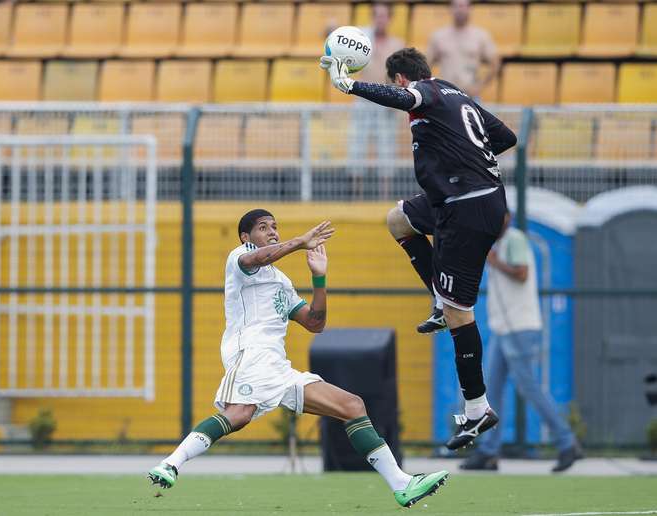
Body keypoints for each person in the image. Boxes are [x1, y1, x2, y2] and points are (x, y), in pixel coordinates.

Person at [149, 210, 449, 508]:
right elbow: (258, 258)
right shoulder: (239, 259)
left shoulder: (281, 282)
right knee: (239, 413)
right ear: (245, 237)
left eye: (275, 227)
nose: (272, 232)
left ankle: (401, 484)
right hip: (250, 353)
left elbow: (315, 323)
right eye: (263, 227)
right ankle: (171, 464)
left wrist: (319, 277)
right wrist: (300, 241)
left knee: (351, 406)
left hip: (278, 365)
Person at [321, 47, 516, 450]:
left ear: (399, 79)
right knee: (398, 219)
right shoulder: (456, 94)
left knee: (460, 313)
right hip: (459, 198)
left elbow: (407, 99)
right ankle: (436, 300)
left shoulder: (424, 92)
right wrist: (466, 158)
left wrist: (350, 84)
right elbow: (506, 137)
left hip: (467, 206)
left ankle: (478, 409)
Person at [461, 215, 583, 472]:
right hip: (503, 328)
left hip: (519, 328)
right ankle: (489, 453)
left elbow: (523, 273)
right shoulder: (499, 243)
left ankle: (566, 441)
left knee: (529, 388)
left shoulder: (514, 239)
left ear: (506, 219)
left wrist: (496, 262)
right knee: (490, 390)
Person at [347, 3, 405, 199]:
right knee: (357, 147)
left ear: (389, 18)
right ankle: (356, 196)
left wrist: (395, 98)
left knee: (386, 149)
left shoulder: (397, 44)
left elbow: (401, 76)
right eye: (377, 16)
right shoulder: (363, 40)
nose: (380, 19)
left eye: (384, 16)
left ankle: (385, 197)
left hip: (386, 102)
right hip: (363, 100)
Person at [427, 0, 500, 100]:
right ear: (450, 9)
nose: (460, 10)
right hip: (445, 95)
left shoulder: (481, 36)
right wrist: (434, 86)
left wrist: (480, 86)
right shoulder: (438, 36)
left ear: (470, 9)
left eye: (464, 6)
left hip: (470, 95)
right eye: (456, 6)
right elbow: (426, 65)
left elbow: (495, 63)